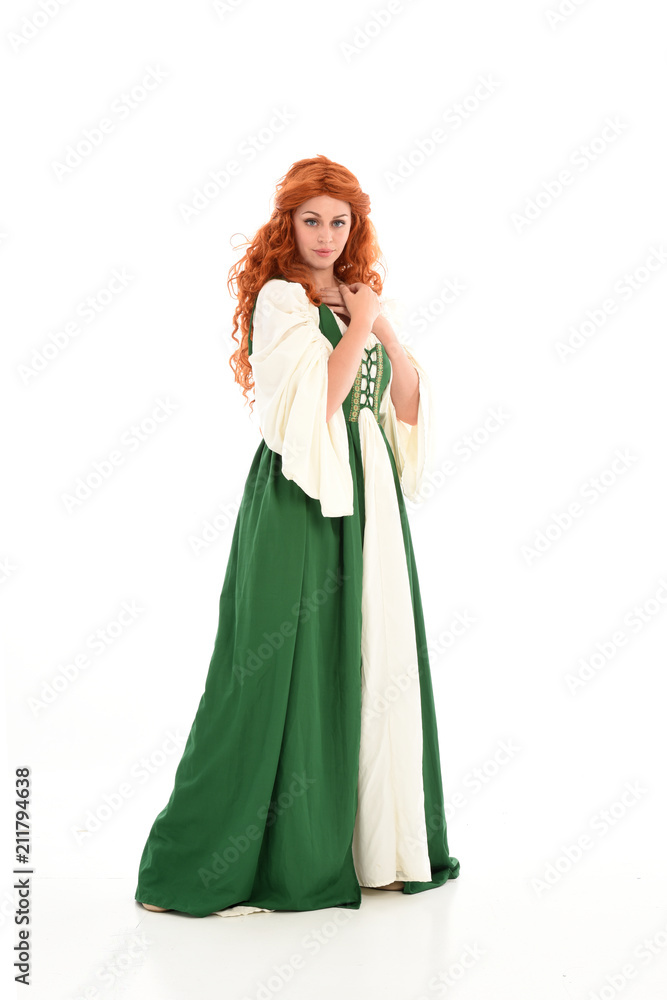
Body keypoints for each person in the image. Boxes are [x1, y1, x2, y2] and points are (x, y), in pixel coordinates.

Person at [134, 154, 460, 918]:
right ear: (288, 224)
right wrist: (364, 323)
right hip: (302, 495)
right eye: (310, 219)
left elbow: (405, 398)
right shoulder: (280, 301)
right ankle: (220, 858)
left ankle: (372, 848)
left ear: (355, 227)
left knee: (371, 657)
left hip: (370, 495)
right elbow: (321, 399)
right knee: (273, 666)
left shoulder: (359, 298)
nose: (324, 234)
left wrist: (375, 317)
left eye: (338, 221)